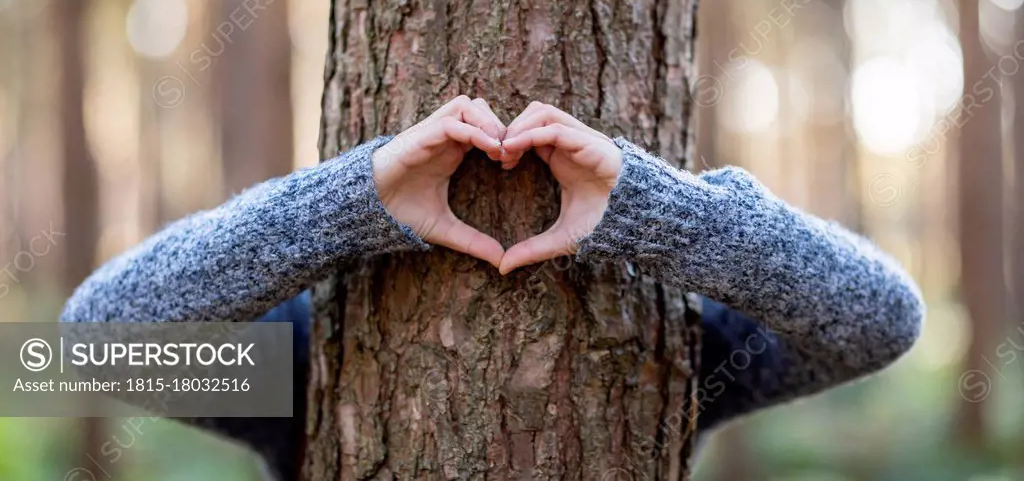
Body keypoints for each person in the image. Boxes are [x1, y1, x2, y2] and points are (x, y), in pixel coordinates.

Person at [61, 96, 925, 480]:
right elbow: (93, 344)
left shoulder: (679, 357)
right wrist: (350, 202)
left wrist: (667, 216)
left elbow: (881, 319)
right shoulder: (306, 369)